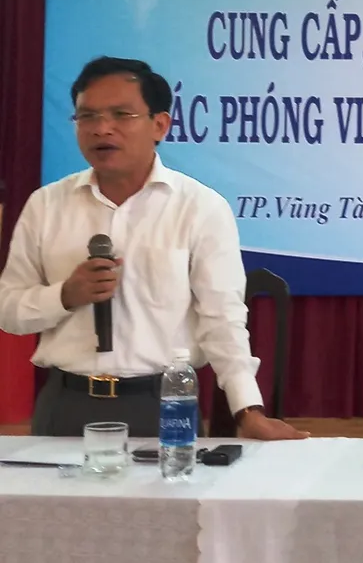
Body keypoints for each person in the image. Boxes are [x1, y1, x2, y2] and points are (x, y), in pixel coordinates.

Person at [0, 56, 307, 440]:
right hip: (65, 403)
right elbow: (8, 311)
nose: (102, 128)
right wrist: (65, 295)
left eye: (121, 115)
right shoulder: (45, 205)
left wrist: (247, 410)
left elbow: (222, 319)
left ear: (160, 124)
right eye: (88, 116)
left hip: (163, 403)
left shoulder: (200, 207)